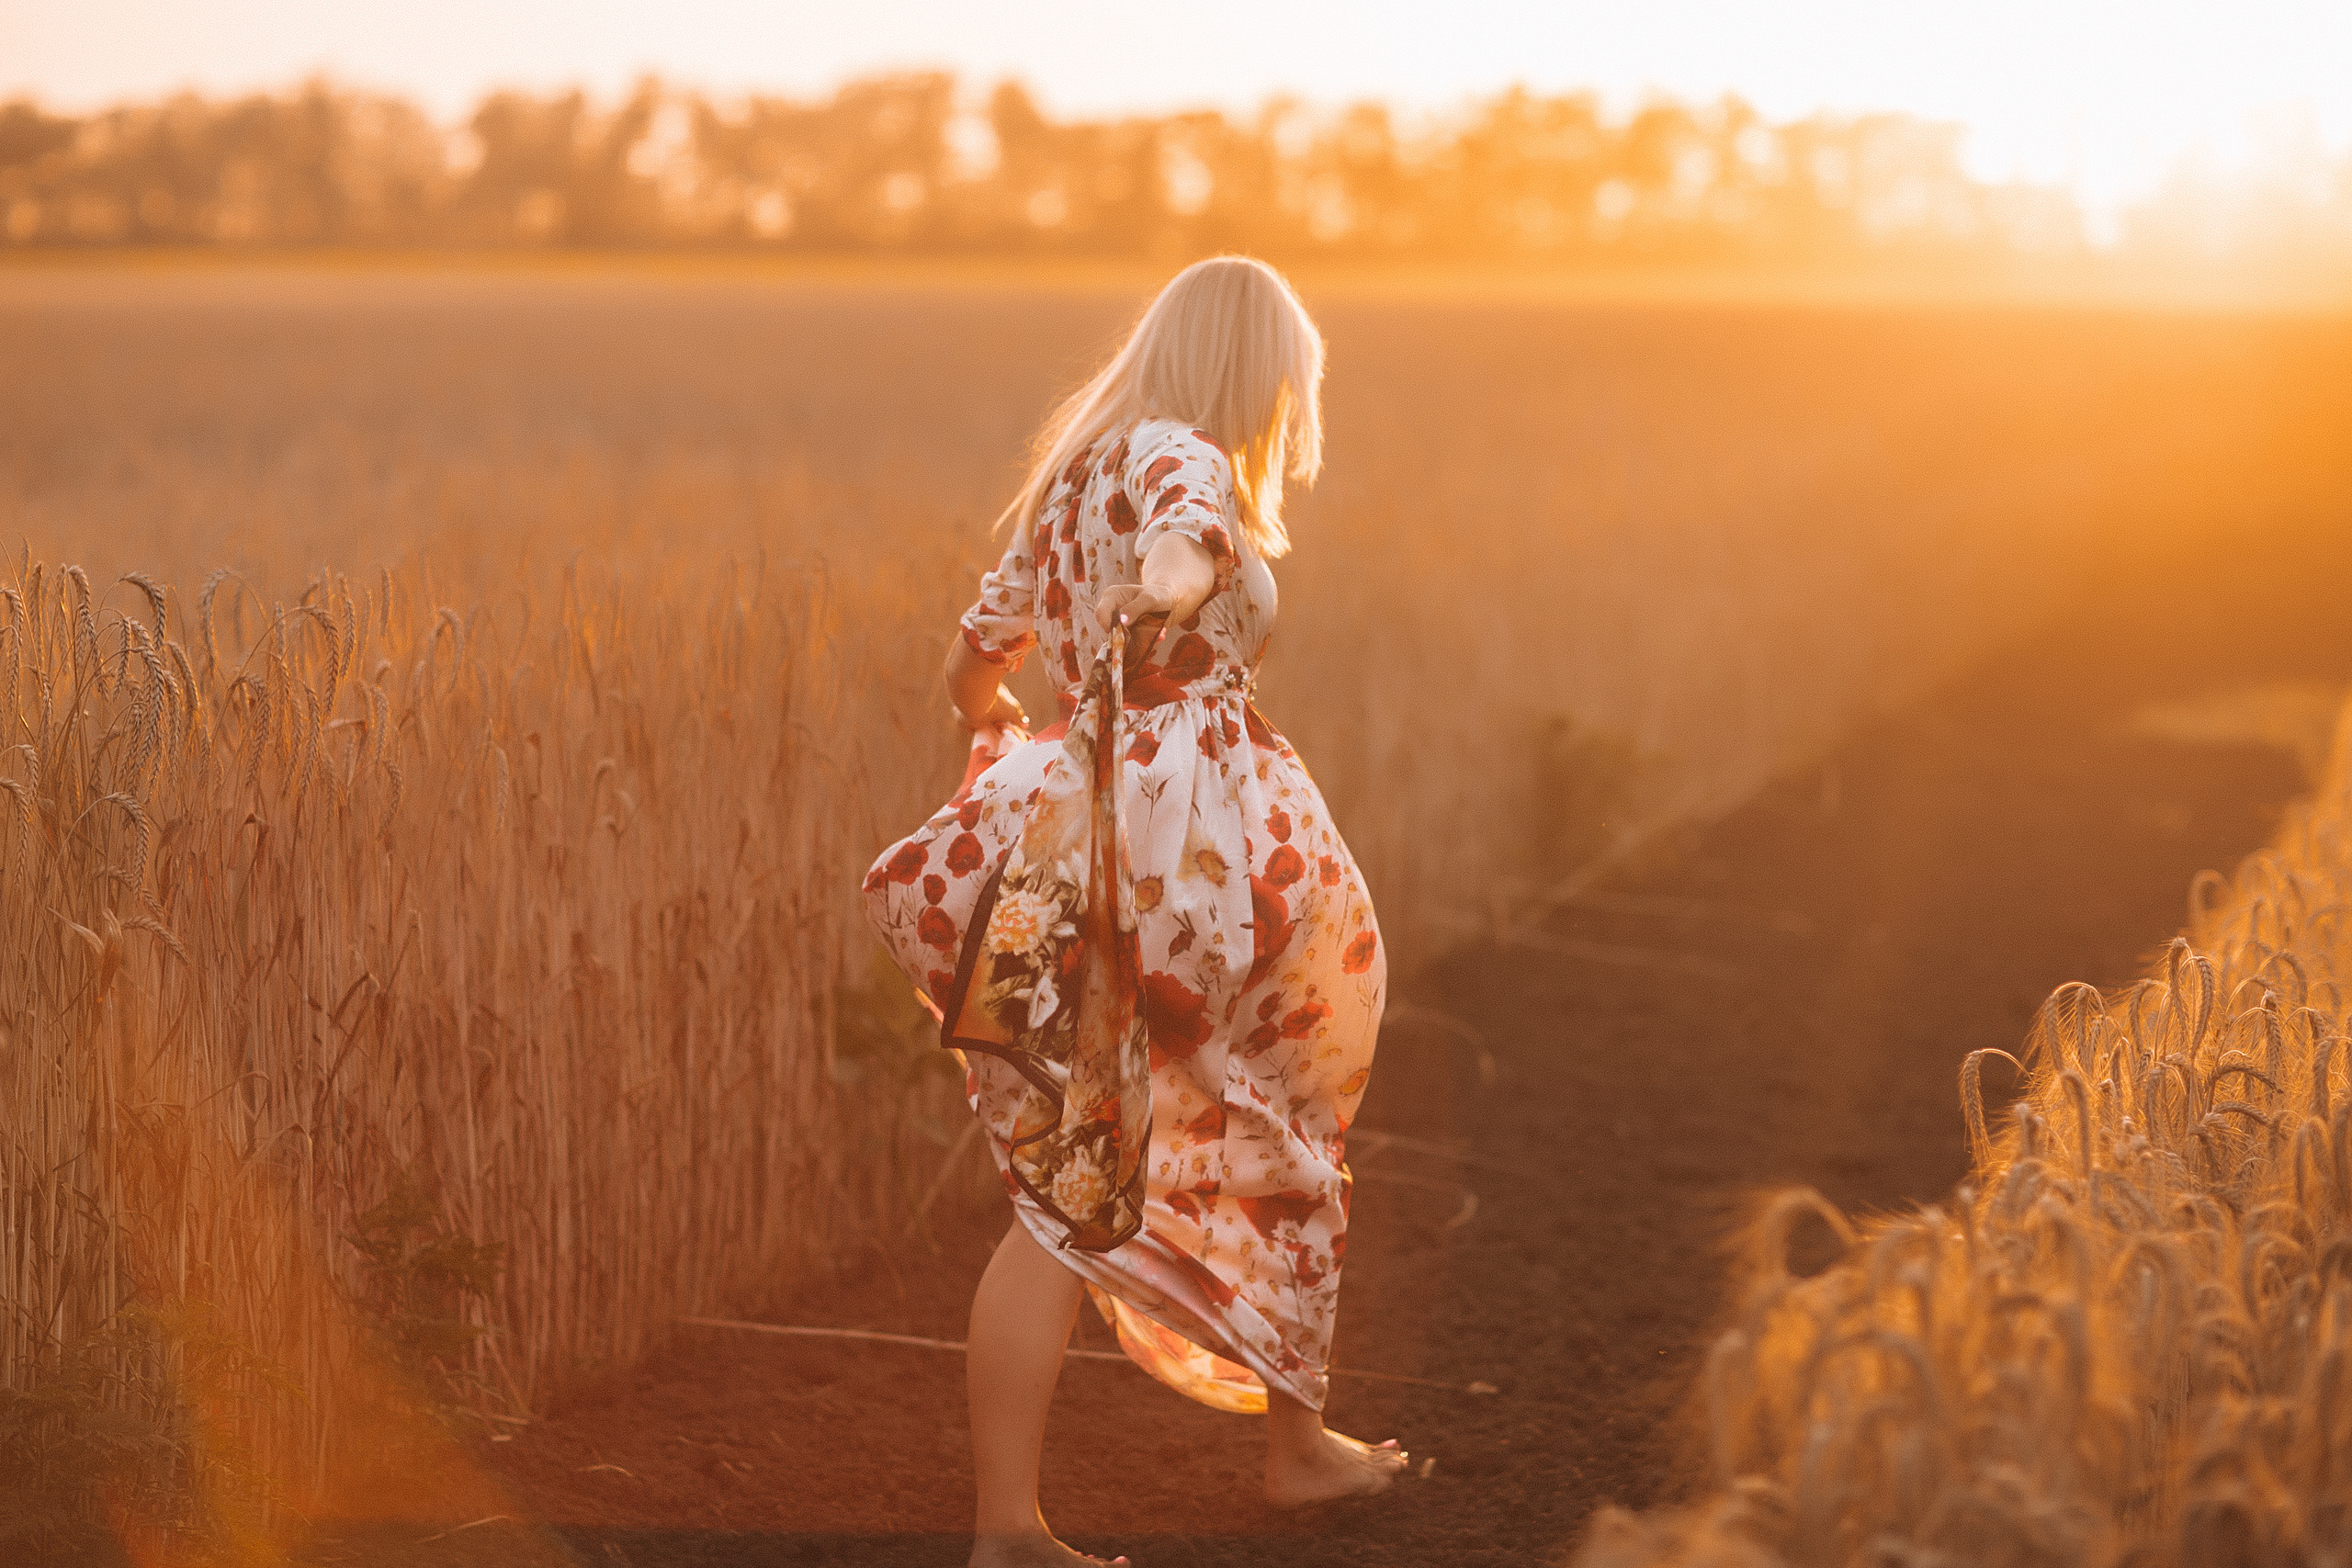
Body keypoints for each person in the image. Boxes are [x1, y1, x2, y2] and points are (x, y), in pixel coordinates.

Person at [863, 254, 1404, 1568]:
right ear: (1256, 367)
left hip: (1083, 820)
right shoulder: (1188, 463)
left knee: (1069, 1178)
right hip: (1190, 848)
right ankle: (1289, 1451)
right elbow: (1187, 540)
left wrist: (989, 718)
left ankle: (1017, 1526)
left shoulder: (1073, 473)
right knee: (1281, 1101)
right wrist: (1166, 586)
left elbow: (973, 652)